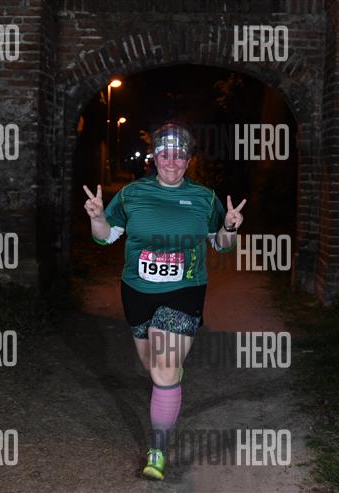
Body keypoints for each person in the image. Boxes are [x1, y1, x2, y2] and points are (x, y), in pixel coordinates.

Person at [82, 123, 246, 480]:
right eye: (165, 154)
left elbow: (221, 245)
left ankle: (157, 449)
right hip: (137, 292)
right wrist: (97, 218)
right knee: (152, 365)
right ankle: (168, 380)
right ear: (154, 158)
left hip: (185, 291)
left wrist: (230, 228)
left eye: (180, 155)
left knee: (165, 369)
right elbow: (105, 238)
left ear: (188, 160)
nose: (172, 162)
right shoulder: (131, 194)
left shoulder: (204, 198)